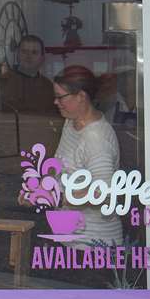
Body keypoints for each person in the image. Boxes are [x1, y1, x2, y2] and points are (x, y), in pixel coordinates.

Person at [51, 66, 124, 247]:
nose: (55, 102)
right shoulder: (70, 123)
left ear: (82, 96)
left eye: (61, 97)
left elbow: (103, 194)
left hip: (94, 246)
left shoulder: (96, 140)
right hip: (70, 240)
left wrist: (57, 197)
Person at [0, 34, 55, 115]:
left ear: (42, 58)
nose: (29, 56)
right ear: (17, 55)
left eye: (34, 52)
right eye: (24, 51)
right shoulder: (2, 83)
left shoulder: (48, 87)